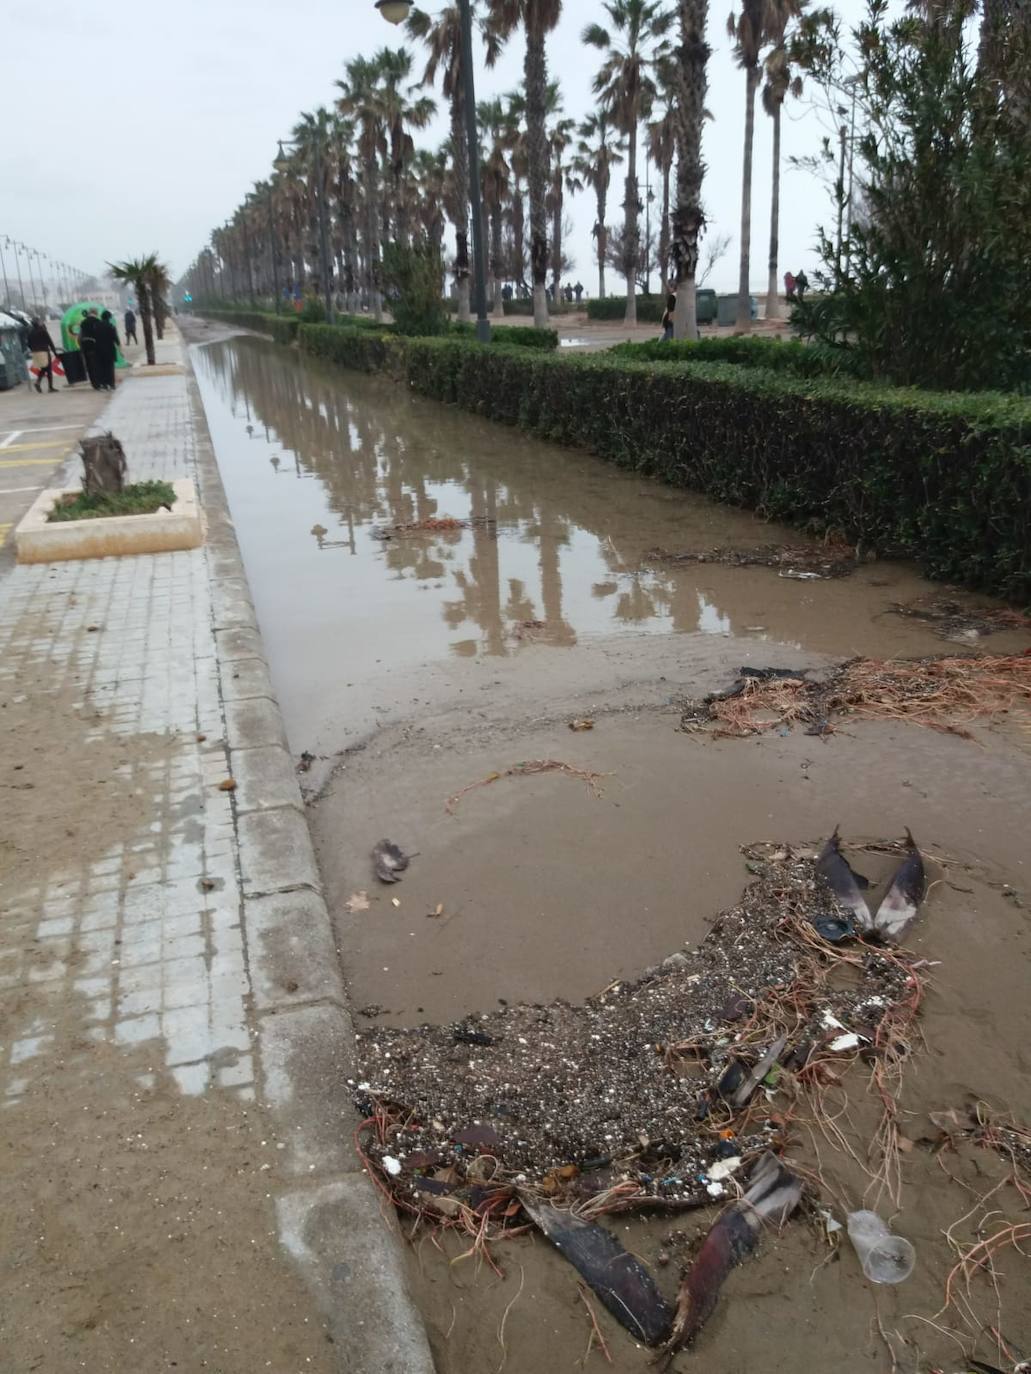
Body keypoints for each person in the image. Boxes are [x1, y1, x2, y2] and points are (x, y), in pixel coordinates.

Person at [28, 318, 60, 393]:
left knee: (44, 368)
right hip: (44, 351)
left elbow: (28, 344)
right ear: (38, 323)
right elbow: (50, 342)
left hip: (35, 352)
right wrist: (55, 352)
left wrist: (34, 349)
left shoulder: (30, 332)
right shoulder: (43, 331)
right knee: (48, 369)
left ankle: (38, 382)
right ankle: (50, 387)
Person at [95, 310, 120, 390]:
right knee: (110, 367)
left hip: (99, 349)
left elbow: (94, 336)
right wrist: (118, 344)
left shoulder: (96, 325)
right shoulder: (111, 326)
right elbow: (115, 337)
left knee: (101, 367)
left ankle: (104, 383)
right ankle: (111, 384)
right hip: (109, 349)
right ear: (109, 317)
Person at [79, 308, 101, 389]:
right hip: (95, 345)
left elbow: (80, 336)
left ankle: (94, 383)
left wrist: (81, 346)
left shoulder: (83, 322)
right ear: (95, 313)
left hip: (85, 345)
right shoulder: (98, 321)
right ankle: (99, 382)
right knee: (97, 364)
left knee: (89, 365)